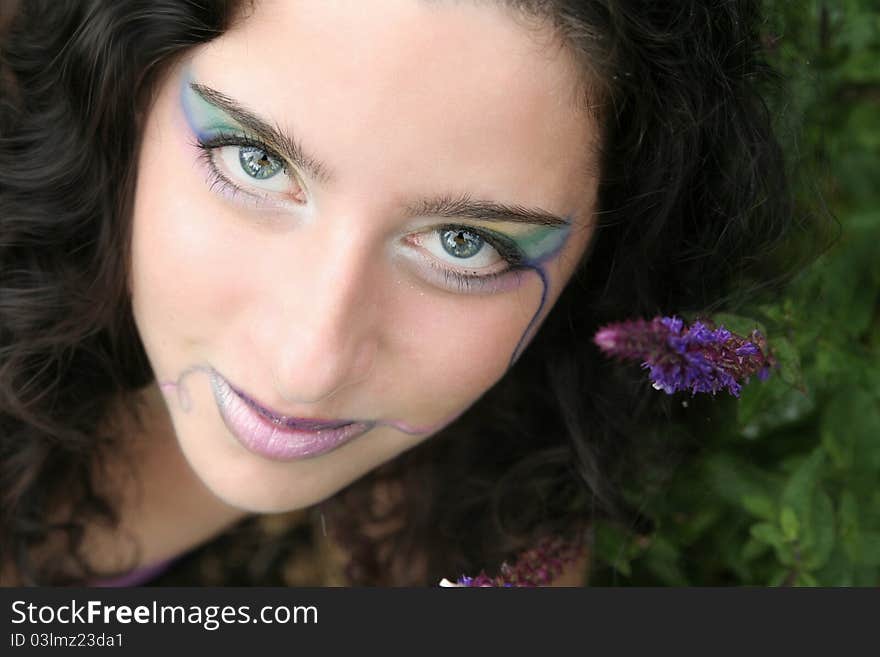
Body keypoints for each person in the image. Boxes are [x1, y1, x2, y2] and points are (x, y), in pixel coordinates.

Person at [0, 0, 820, 586]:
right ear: (121, 85)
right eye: (255, 162)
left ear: (607, 253)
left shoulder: (498, 508)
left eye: (464, 245)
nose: (307, 365)